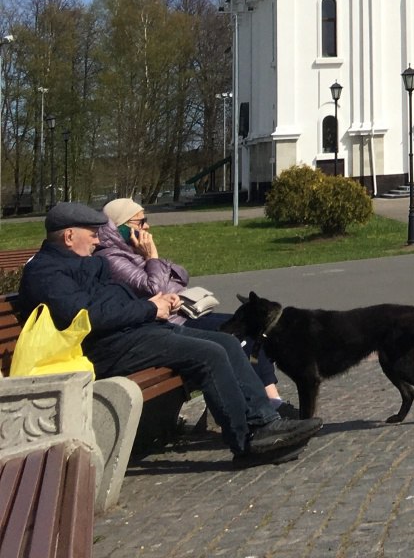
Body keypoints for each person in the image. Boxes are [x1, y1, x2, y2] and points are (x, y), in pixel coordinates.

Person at [16, 201, 322, 466]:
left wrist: (157, 305)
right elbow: (85, 317)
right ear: (69, 236)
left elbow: (115, 302)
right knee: (208, 355)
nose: (98, 241)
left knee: (227, 342)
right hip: (103, 349)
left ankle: (266, 422)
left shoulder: (87, 263)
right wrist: (149, 308)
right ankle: (246, 443)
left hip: (133, 334)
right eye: (92, 235)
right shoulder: (46, 273)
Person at [94, 198, 288, 412]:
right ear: (120, 227)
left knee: (254, 327)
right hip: (169, 324)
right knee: (234, 339)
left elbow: (181, 275)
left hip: (186, 313)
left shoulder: (132, 252)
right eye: (141, 222)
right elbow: (154, 287)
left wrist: (150, 261)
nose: (147, 226)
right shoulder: (111, 257)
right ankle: (260, 406)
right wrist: (152, 257)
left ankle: (272, 399)